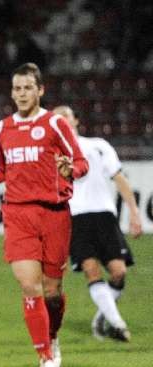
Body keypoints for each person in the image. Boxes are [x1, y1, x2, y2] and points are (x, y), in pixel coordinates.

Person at [0, 63, 88, 367]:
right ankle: (45, 357)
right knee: (30, 284)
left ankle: (52, 336)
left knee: (52, 291)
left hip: (54, 214)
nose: (22, 94)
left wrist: (70, 171)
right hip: (17, 214)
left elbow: (81, 162)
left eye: (28, 88)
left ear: (40, 90)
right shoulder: (3, 128)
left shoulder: (55, 123)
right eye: (17, 88)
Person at [52, 105, 142, 341]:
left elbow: (119, 178)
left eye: (65, 116)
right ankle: (118, 324)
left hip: (104, 215)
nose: (62, 120)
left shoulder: (98, 145)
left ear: (76, 120)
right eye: (56, 118)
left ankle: (102, 318)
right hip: (74, 217)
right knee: (91, 270)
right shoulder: (50, 153)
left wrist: (134, 212)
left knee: (119, 272)